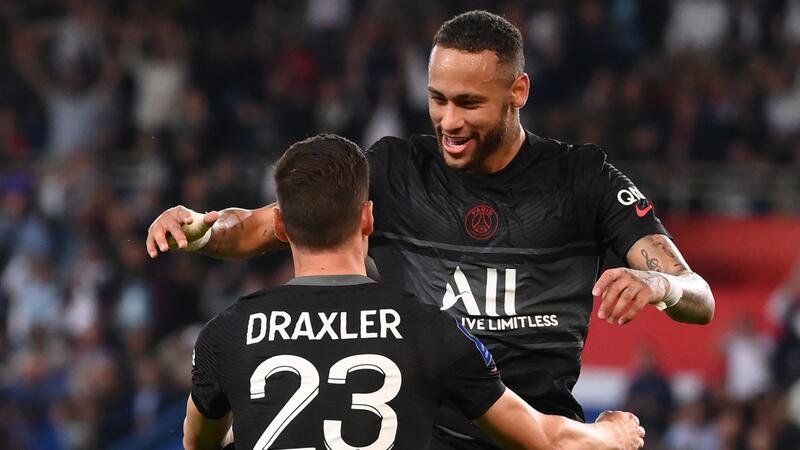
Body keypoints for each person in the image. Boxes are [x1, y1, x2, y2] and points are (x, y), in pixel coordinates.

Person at [155, 11, 715, 450]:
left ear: (518, 91)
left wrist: (659, 285)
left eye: (469, 103)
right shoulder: (397, 170)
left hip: (542, 435)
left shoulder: (584, 179)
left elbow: (698, 296)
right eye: (437, 99)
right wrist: (202, 230)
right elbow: (264, 224)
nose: (449, 121)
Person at [182, 134, 645, 450]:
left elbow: (198, 443)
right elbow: (543, 438)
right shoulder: (432, 332)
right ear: (368, 218)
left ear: (281, 227)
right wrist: (610, 435)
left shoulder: (226, 335)